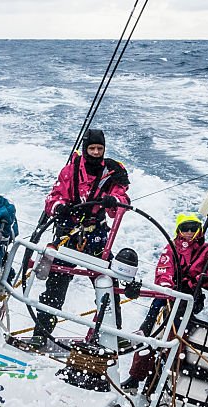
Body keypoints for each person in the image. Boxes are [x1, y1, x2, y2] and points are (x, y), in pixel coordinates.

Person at [33, 128, 130, 341]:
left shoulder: (112, 173)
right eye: (92, 148)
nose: (96, 152)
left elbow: (122, 201)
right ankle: (41, 336)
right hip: (69, 236)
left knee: (108, 285)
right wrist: (58, 207)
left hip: (96, 240)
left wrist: (113, 201)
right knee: (54, 290)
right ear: (85, 149)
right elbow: (54, 197)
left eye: (100, 148)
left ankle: (110, 337)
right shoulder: (70, 171)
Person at [120, 212, 208, 391]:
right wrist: (167, 288)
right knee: (147, 333)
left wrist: (197, 281)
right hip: (165, 297)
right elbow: (163, 270)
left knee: (175, 340)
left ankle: (161, 384)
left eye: (193, 228)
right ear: (179, 230)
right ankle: (135, 377)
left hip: (188, 300)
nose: (189, 232)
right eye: (185, 228)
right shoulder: (171, 248)